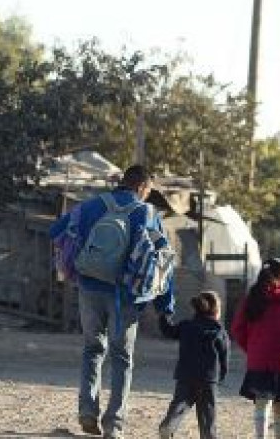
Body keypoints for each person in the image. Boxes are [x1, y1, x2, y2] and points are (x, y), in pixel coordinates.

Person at [49, 164, 175, 439]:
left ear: (123, 182)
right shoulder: (147, 213)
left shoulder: (91, 205)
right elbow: (163, 261)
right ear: (142, 187)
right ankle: (113, 426)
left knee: (92, 349)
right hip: (125, 295)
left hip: (89, 287)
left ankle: (87, 411)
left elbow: (56, 230)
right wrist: (166, 304)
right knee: (122, 357)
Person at [230, 258, 280, 439]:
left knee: (261, 403)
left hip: (258, 360)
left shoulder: (252, 296)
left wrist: (251, 348)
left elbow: (237, 328)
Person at [157, 291, 229, 439]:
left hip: (186, 376)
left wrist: (164, 314)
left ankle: (168, 425)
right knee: (208, 417)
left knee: (179, 406)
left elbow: (168, 330)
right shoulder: (219, 331)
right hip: (208, 380)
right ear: (216, 310)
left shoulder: (186, 326)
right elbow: (224, 358)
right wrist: (221, 377)